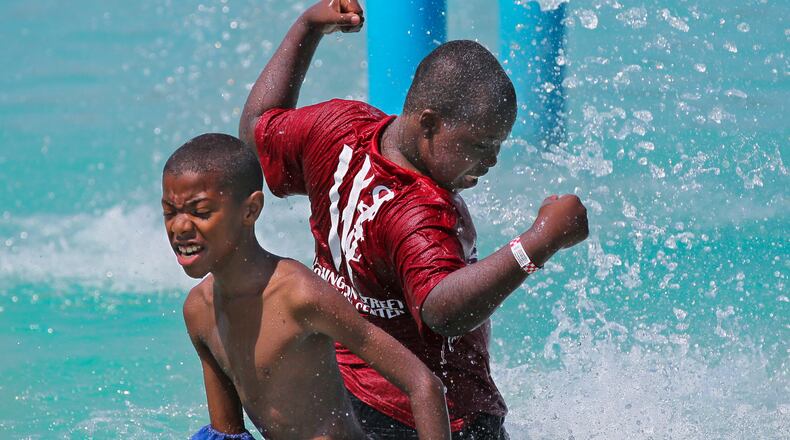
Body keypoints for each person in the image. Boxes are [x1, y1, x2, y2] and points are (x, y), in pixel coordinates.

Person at [238, 1, 589, 437]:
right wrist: (539, 241)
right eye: (481, 145)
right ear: (428, 124)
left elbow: (256, 131)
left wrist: (307, 27)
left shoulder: (337, 127)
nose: (493, 160)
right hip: (435, 416)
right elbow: (442, 310)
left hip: (338, 387)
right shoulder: (420, 214)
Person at [162, 133, 451, 440]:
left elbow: (424, 385)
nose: (179, 227)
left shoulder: (298, 295)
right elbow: (227, 435)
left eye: (201, 212)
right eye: (169, 212)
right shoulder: (198, 311)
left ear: (250, 210)